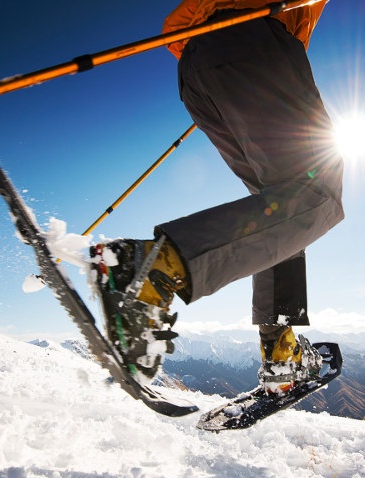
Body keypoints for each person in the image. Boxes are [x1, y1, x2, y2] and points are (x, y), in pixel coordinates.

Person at [89, 0, 344, 395]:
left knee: (280, 205)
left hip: (197, 64)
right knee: (318, 191)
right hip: (254, 38)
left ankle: (281, 349)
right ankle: (148, 269)